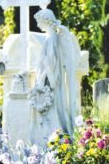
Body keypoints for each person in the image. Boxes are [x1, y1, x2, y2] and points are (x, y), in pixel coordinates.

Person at [31, 9, 81, 143]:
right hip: (50, 82)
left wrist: (41, 80)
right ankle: (55, 141)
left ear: (45, 21)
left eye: (38, 22)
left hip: (50, 83)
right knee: (54, 112)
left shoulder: (51, 39)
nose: (37, 25)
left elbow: (50, 63)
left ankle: (55, 141)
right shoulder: (52, 38)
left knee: (52, 114)